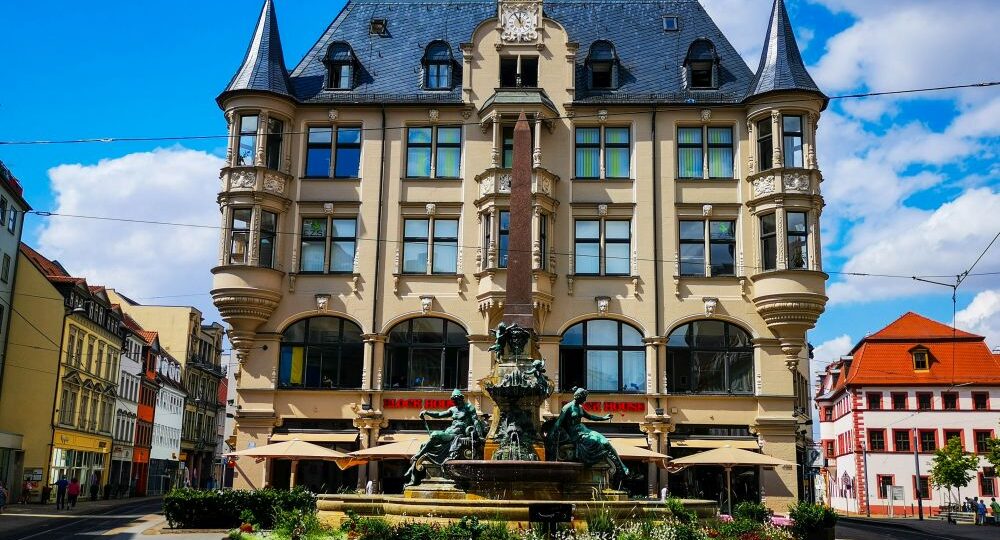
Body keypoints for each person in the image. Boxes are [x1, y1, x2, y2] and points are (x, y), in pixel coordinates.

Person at [405, 389, 484, 486]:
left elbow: (475, 421)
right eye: (453, 401)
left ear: (461, 398)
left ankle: (419, 455)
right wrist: (427, 412)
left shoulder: (469, 408)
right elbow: (439, 415)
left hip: (457, 434)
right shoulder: (453, 409)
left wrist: (480, 436)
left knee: (434, 435)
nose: (455, 402)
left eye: (456, 400)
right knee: (426, 443)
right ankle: (415, 475)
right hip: (449, 432)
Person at [547, 387, 630, 478]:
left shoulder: (580, 407)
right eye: (584, 398)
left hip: (584, 430)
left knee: (605, 441)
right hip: (575, 434)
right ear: (579, 397)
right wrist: (551, 434)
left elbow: (590, 417)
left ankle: (622, 466)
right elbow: (559, 422)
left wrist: (603, 418)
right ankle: (615, 465)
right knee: (595, 441)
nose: (585, 400)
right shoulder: (567, 408)